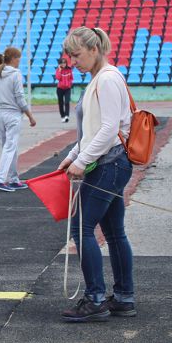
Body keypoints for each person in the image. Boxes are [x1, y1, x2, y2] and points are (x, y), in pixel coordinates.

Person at [57, 27, 135, 322]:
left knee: (82, 229)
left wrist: (82, 160)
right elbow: (92, 131)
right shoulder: (99, 79)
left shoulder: (107, 79)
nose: (72, 61)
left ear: (94, 50)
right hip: (108, 161)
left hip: (109, 163)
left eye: (76, 55)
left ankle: (95, 298)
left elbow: (108, 129)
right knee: (114, 232)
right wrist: (72, 157)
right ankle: (124, 297)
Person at [0, 47, 37, 191]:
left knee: (8, 147)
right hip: (12, 114)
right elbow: (19, 97)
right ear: (13, 59)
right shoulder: (15, 74)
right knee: (10, 147)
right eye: (18, 59)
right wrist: (30, 115)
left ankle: (13, 178)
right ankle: (0, 179)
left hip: (1, 114)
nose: (19, 62)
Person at [55, 57, 74, 122]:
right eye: (62, 63)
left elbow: (71, 78)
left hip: (67, 89)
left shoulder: (69, 70)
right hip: (60, 89)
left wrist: (69, 84)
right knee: (61, 103)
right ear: (59, 64)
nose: (63, 64)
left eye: (64, 63)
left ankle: (66, 116)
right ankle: (62, 116)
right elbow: (58, 78)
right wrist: (60, 70)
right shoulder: (58, 70)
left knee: (67, 102)